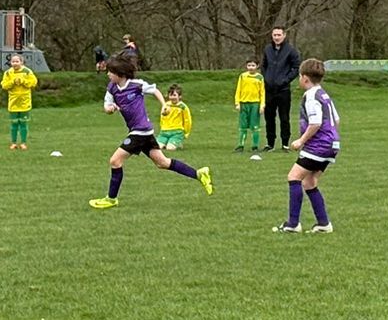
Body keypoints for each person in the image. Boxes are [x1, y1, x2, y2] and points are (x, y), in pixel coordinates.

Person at [89, 53, 212, 209]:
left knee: (115, 161)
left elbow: (155, 91)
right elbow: (106, 106)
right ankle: (199, 174)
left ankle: (111, 199)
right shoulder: (112, 88)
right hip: (143, 132)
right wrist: (110, 109)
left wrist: (164, 105)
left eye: (110, 72)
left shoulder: (136, 85)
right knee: (163, 163)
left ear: (120, 74)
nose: (108, 74)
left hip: (140, 131)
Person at [275, 57, 337, 234]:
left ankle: (293, 224)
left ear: (304, 78)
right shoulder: (323, 94)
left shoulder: (310, 96)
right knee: (309, 182)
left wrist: (301, 141)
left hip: (319, 145)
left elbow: (316, 122)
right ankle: (323, 224)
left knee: (293, 177)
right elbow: (336, 119)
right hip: (332, 144)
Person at [259, 26, 301, 150]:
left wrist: (285, 80)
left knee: (284, 117)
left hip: (283, 90)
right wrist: (266, 78)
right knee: (269, 118)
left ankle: (285, 144)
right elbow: (264, 65)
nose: (276, 37)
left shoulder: (291, 50)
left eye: (279, 35)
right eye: (274, 35)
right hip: (269, 90)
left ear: (284, 35)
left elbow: (296, 68)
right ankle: (270, 143)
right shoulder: (267, 49)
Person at [1, 53, 38, 150]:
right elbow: (4, 85)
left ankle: (23, 143)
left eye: (17, 61)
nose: (15, 63)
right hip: (13, 103)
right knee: (14, 124)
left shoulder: (27, 71)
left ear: (21, 62)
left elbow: (33, 82)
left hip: (24, 102)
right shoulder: (8, 73)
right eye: (13, 61)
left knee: (23, 124)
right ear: (10, 63)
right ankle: (13, 143)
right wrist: (12, 82)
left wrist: (23, 82)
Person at [233, 59, 264, 153]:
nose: (251, 67)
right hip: (243, 104)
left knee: (255, 126)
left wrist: (262, 105)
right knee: (243, 126)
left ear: (257, 66)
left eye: (253, 65)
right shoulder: (243, 76)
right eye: (249, 65)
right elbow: (238, 90)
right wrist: (237, 103)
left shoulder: (259, 77)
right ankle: (240, 145)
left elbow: (262, 92)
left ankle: (255, 146)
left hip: (255, 104)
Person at [160, 84, 193, 151]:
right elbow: (162, 117)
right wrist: (162, 127)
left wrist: (186, 132)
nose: (172, 97)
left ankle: (178, 143)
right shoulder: (166, 105)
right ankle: (167, 142)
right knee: (157, 147)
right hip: (164, 131)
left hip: (177, 131)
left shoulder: (183, 107)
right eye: (171, 95)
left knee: (170, 148)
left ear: (179, 96)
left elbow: (187, 120)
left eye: (174, 95)